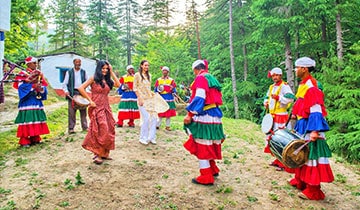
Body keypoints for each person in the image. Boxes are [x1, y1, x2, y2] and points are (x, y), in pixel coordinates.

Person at [289, 57, 333, 200]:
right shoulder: (303, 85)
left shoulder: (312, 87)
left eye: (297, 68)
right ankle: (300, 181)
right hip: (303, 125)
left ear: (304, 69)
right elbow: (301, 104)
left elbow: (316, 110)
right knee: (301, 155)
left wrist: (314, 131)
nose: (295, 70)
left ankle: (314, 191)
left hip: (311, 126)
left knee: (310, 157)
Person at [183, 59, 225, 185]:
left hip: (204, 115)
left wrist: (190, 114)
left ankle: (206, 176)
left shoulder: (201, 78)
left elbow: (200, 97)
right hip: (215, 115)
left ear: (196, 69)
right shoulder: (211, 78)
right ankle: (213, 168)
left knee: (202, 144)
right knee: (210, 142)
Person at [78, 60, 120, 165]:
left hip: (106, 107)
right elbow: (81, 88)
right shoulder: (94, 78)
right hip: (96, 107)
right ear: (99, 68)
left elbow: (119, 85)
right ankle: (97, 154)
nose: (105, 70)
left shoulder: (107, 80)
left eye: (107, 69)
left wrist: (112, 71)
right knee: (100, 129)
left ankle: (104, 153)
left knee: (109, 128)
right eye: (103, 68)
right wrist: (90, 100)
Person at [13, 56, 50, 147]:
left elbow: (43, 85)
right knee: (27, 119)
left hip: (36, 100)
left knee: (36, 118)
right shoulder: (22, 74)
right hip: (27, 101)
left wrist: (41, 89)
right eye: (34, 63)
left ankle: (35, 137)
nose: (36, 65)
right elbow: (20, 87)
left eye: (36, 63)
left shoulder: (39, 74)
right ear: (28, 64)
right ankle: (24, 140)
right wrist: (33, 86)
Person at [263, 67, 294, 171]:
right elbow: (267, 97)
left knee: (280, 137)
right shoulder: (271, 87)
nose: (274, 77)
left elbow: (290, 98)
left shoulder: (284, 86)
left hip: (281, 115)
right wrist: (266, 102)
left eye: (276, 75)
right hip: (272, 115)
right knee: (272, 137)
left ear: (280, 75)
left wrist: (279, 98)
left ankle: (283, 162)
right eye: (273, 76)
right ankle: (277, 158)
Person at [133, 60, 157, 145]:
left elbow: (149, 88)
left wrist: (153, 95)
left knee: (154, 118)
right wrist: (139, 98)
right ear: (141, 66)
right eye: (145, 65)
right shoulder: (137, 75)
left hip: (150, 99)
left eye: (148, 65)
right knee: (146, 118)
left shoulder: (149, 75)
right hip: (142, 100)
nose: (147, 67)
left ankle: (152, 137)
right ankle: (143, 137)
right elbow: (135, 88)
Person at [62, 58, 88, 134]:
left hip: (81, 92)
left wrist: (88, 92)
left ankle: (85, 127)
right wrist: (66, 91)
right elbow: (64, 83)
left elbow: (87, 82)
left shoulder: (84, 72)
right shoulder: (69, 72)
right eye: (76, 62)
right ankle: (71, 128)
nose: (78, 64)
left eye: (79, 62)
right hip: (72, 93)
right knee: (71, 111)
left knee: (83, 110)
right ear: (74, 63)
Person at [154, 66, 177, 131]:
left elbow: (174, 89)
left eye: (166, 71)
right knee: (160, 111)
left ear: (168, 72)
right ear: (162, 72)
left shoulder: (171, 80)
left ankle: (167, 126)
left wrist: (174, 91)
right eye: (164, 71)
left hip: (169, 97)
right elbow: (156, 89)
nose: (164, 72)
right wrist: (156, 94)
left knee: (168, 112)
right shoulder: (159, 80)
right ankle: (157, 125)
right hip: (161, 97)